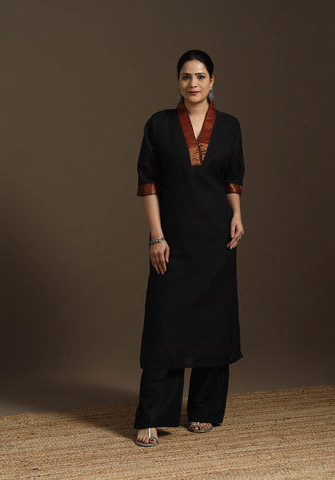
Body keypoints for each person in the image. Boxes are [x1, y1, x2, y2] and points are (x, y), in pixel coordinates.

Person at [133, 49, 245, 447]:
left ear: (212, 81)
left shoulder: (229, 126)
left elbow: (232, 179)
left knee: (213, 320)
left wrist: (237, 214)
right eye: (185, 76)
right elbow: (148, 184)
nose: (193, 83)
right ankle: (152, 415)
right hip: (173, 239)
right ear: (178, 81)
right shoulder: (159, 124)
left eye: (200, 76)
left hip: (216, 238)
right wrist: (156, 236)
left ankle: (203, 409)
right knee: (165, 323)